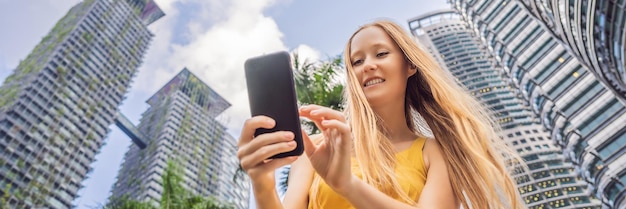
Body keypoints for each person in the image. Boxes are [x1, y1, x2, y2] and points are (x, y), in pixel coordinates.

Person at [237, 20, 526, 209]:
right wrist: (262, 184)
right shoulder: (316, 150)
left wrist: (347, 186)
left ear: (409, 65)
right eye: (357, 61)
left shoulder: (434, 151)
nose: (368, 66)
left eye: (381, 54)